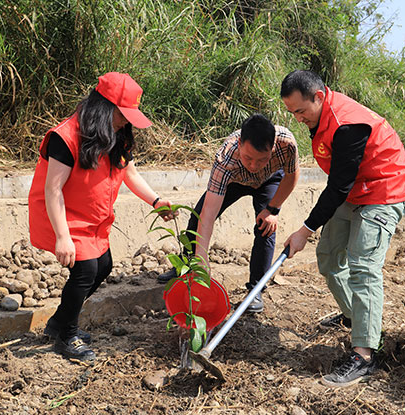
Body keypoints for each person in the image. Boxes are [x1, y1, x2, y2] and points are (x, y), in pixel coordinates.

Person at [28, 72, 175, 361]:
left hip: (93, 218)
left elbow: (129, 172)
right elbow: (53, 189)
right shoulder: (66, 137)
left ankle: (58, 323)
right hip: (63, 216)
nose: (127, 121)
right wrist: (62, 237)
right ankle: (67, 336)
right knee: (85, 272)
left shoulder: (117, 134)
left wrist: (156, 201)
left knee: (104, 266)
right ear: (104, 107)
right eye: (123, 114)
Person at [280, 70, 405, 387]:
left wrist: (304, 230)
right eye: (291, 112)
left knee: (363, 265)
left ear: (320, 97)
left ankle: (365, 355)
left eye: (301, 111)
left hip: (383, 190)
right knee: (327, 256)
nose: (297, 119)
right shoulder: (320, 117)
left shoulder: (347, 124)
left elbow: (337, 187)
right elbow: (342, 184)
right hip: (356, 189)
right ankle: (356, 316)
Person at [157, 114, 300, 313]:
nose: (253, 165)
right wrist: (202, 258)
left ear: (273, 147)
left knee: (265, 227)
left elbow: (292, 176)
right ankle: (187, 264)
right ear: (240, 143)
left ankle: (256, 289)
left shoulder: (287, 143)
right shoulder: (226, 157)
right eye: (248, 158)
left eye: (261, 160)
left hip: (269, 180)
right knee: (197, 215)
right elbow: (208, 213)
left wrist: (273, 209)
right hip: (235, 181)